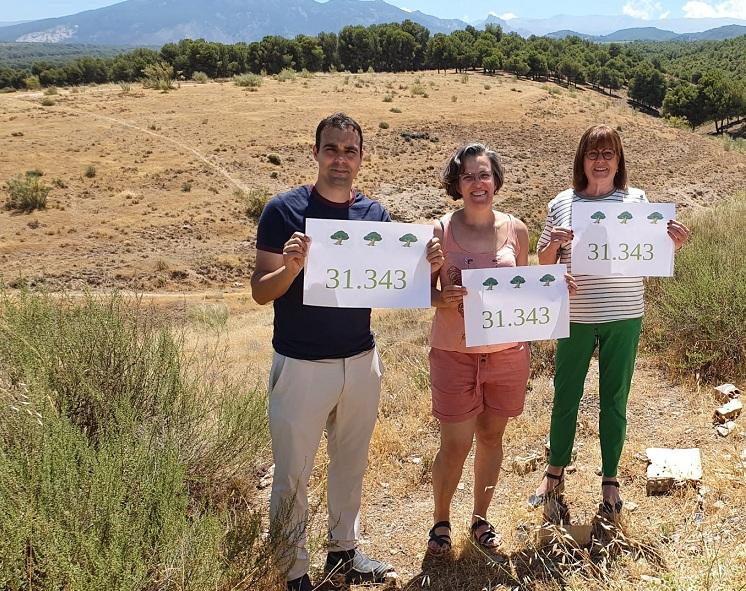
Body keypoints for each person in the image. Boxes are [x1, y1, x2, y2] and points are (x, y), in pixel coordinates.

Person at [251, 113, 444, 591]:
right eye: (332, 149)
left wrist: (429, 266)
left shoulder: (375, 217)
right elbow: (260, 290)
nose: (341, 159)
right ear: (315, 153)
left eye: (350, 151)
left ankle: (344, 551)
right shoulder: (283, 211)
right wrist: (293, 267)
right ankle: (292, 569)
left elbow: (395, 283)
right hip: (300, 365)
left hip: (360, 361)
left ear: (361, 158)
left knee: (350, 463)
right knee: (292, 474)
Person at [528, 124, 690, 517]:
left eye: (608, 154)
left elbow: (648, 257)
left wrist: (673, 245)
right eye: (593, 153)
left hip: (624, 315)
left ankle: (611, 478)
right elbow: (543, 262)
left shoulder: (637, 201)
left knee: (614, 399)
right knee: (566, 396)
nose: (600, 161)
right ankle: (554, 473)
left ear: (619, 161)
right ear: (581, 160)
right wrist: (553, 245)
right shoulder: (560, 203)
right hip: (576, 317)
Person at [426, 142, 574, 556]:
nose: (478, 183)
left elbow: (523, 292)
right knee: (455, 443)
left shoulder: (517, 230)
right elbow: (423, 292)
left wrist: (554, 289)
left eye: (485, 175)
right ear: (457, 183)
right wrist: (443, 298)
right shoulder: (440, 230)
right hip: (455, 353)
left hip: (507, 354)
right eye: (469, 176)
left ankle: (480, 518)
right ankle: (441, 520)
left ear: (496, 181)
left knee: (492, 436)